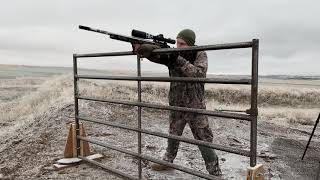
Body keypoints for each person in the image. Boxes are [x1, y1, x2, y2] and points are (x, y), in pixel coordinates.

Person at [133, 29, 222, 176]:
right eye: (177, 43)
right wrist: (142, 48)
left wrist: (177, 59)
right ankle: (168, 161)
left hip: (195, 106)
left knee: (203, 138)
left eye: (182, 44)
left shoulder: (200, 53)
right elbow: (156, 57)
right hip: (176, 103)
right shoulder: (173, 54)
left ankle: (214, 172)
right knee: (173, 134)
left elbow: (198, 74)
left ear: (191, 44)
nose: (178, 47)